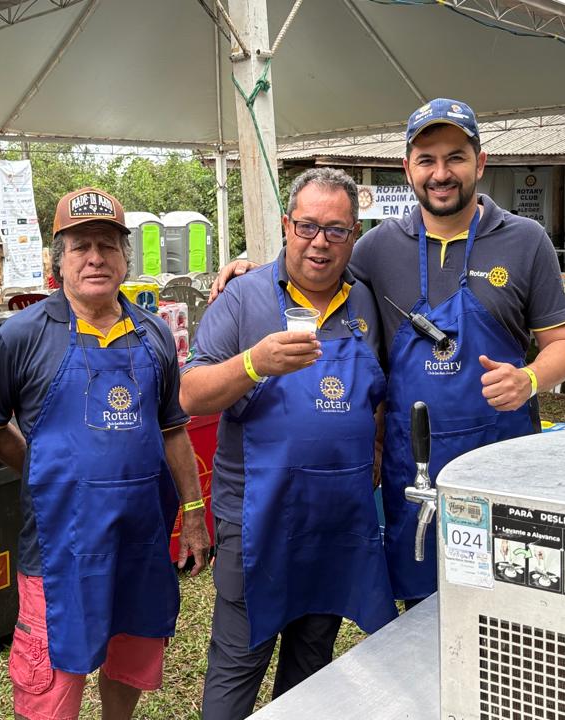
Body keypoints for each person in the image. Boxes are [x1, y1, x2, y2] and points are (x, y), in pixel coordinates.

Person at [212, 98, 565, 603]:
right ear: (408, 167)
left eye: (455, 157)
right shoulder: (377, 248)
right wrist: (252, 269)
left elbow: (564, 345)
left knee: (509, 606)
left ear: (481, 162)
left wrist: (530, 380)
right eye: (426, 160)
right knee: (420, 620)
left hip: (503, 467)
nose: (441, 173)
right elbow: (314, 265)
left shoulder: (525, 239)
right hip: (417, 477)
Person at [0, 187, 211, 720]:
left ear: (126, 256)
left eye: (108, 245)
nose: (95, 258)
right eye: (81, 246)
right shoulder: (21, 336)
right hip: (62, 549)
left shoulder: (153, 334)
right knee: (51, 687)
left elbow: (172, 428)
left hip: (141, 540)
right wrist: (37, 470)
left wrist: (194, 514)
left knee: (130, 658)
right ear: (59, 259)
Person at [181, 168, 395, 719]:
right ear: (285, 225)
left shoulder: (366, 302)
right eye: (306, 226)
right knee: (236, 674)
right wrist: (254, 362)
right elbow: (191, 393)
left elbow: (378, 390)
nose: (320, 242)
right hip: (258, 523)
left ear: (354, 235)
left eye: (336, 230)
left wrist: (372, 444)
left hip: (335, 524)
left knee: (311, 674)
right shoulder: (243, 298)